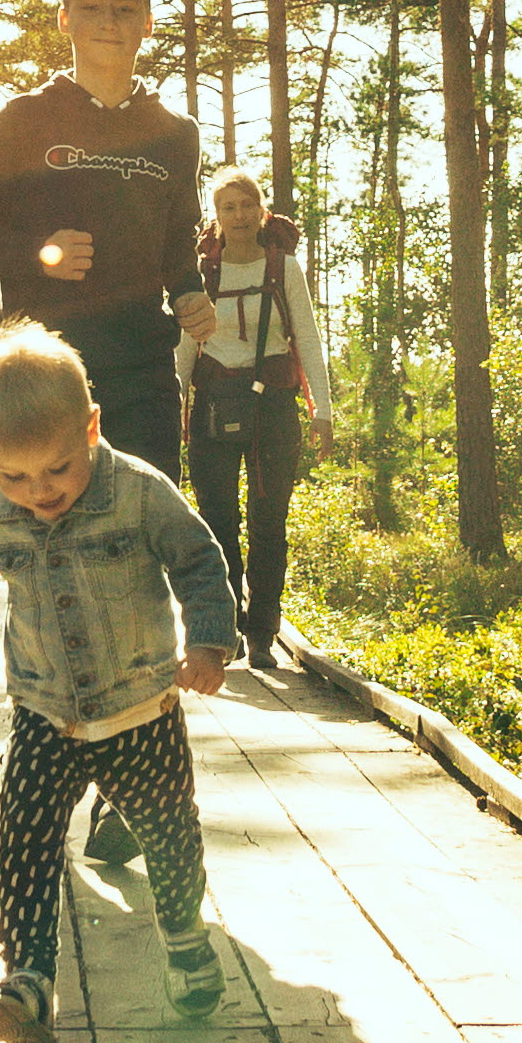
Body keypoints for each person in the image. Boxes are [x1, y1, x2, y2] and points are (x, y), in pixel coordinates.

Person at [0, 321, 241, 1043]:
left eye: (56, 468)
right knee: (26, 842)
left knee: (171, 838)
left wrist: (209, 639)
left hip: (142, 708)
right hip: (45, 712)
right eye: (13, 475)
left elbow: (199, 559)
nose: (37, 492)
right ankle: (28, 980)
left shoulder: (139, 493)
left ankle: (182, 938)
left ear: (91, 427)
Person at [0, 0, 217, 479]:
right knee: (41, 539)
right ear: (65, 19)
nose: (108, 22)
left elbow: (177, 242)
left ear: (148, 24)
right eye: (90, 7)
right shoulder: (24, 118)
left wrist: (190, 291)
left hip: (143, 374)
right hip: (39, 372)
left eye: (124, 8)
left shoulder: (176, 133)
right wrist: (39, 254)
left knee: (143, 535)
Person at [176, 165, 334, 671]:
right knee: (216, 519)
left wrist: (322, 412)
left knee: (269, 521)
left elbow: (307, 339)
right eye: (228, 207)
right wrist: (173, 411)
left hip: (274, 407)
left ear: (261, 211)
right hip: (215, 403)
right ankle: (227, 629)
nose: (238, 215)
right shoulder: (201, 273)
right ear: (215, 217)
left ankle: (262, 632)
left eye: (246, 205)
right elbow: (182, 349)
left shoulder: (283, 268)